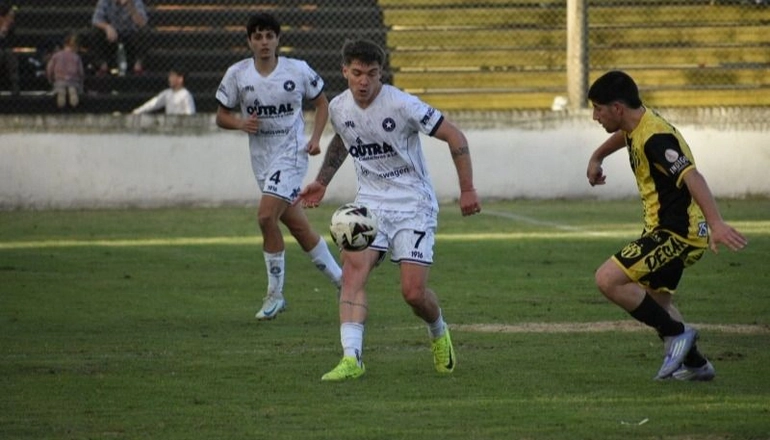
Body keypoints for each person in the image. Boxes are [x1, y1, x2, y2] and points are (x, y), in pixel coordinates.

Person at [296, 39, 482, 381]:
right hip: (370, 205)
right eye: (356, 73)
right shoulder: (338, 107)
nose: (363, 81)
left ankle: (438, 331)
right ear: (344, 72)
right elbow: (344, 139)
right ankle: (351, 358)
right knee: (352, 273)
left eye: (371, 74)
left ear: (381, 73)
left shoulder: (402, 104)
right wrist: (322, 181)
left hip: (414, 205)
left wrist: (467, 188)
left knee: (413, 293)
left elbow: (455, 137)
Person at [585, 70, 748, 381]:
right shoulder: (637, 123)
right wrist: (597, 156)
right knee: (657, 302)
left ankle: (677, 335)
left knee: (608, 279)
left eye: (598, 108)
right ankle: (697, 366)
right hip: (665, 228)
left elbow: (692, 177)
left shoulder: (657, 138)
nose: (595, 116)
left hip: (678, 232)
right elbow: (624, 136)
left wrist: (717, 223)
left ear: (617, 108)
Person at [214, 12, 342, 320]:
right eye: (257, 37)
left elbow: (322, 102)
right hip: (262, 160)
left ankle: (275, 294)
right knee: (297, 227)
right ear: (249, 41)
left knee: (264, 217)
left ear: (277, 39)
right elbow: (221, 116)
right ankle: (343, 281)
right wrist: (240, 122)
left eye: (269, 36)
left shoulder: (297, 70)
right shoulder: (238, 74)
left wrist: (314, 139)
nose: (264, 42)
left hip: (292, 155)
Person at [84, 0, 148, 75]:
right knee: (95, 32)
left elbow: (142, 23)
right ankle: (102, 65)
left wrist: (131, 7)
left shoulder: (135, 1)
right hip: (111, 35)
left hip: (130, 35)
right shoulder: (105, 1)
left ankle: (138, 65)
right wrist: (107, 27)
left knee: (145, 32)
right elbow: (95, 20)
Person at [46, 32, 85, 109]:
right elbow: (81, 72)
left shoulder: (56, 55)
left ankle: (61, 99)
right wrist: (81, 83)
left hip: (60, 81)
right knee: (72, 90)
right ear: (76, 46)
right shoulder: (76, 57)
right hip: (73, 82)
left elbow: (49, 69)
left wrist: (50, 79)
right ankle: (74, 98)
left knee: (61, 90)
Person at [0, 1, 19, 95]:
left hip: (7, 48)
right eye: (9, 16)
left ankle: (15, 85)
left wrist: (6, 30)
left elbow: (13, 42)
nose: (11, 19)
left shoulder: (11, 27)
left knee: (9, 54)